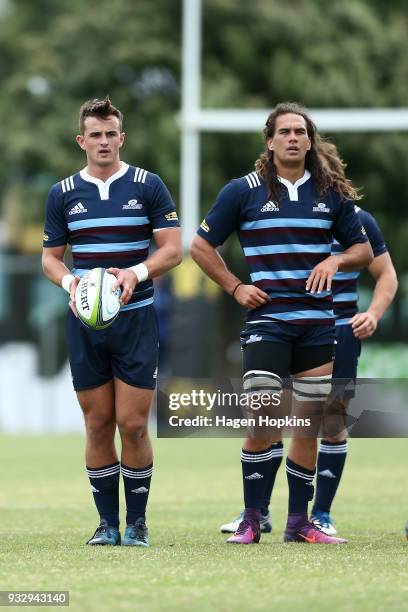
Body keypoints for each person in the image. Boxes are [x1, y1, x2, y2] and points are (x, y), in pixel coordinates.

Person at [191, 102, 373, 545]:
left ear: (310, 141)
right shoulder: (243, 191)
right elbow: (199, 246)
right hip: (267, 323)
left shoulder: (331, 193)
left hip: (316, 324)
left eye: (301, 132)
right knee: (263, 419)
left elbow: (363, 252)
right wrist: (235, 287)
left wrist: (336, 258)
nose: (293, 138)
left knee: (309, 424)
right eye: (285, 131)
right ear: (269, 141)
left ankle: (298, 523)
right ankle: (252, 519)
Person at [42, 97, 182, 546]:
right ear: (81, 140)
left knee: (134, 424)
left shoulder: (148, 185)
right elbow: (50, 259)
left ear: (122, 138)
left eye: (111, 134)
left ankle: (137, 523)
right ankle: (107, 524)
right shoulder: (63, 193)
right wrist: (72, 287)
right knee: (98, 423)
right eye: (95, 135)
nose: (104, 142)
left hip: (137, 319)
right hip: (86, 324)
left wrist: (135, 273)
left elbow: (172, 249)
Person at [219, 201, 398, 536]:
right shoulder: (285, 212)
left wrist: (373, 313)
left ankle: (321, 515)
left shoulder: (360, 219)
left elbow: (386, 274)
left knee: (330, 420)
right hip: (283, 325)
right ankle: (259, 512)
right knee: (273, 416)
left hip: (340, 328)